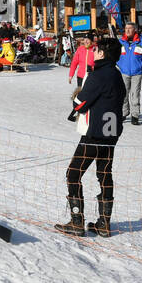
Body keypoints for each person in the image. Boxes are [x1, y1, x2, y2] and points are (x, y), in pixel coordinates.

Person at [58, 37, 126, 238]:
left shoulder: (98, 75)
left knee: (73, 173)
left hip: (95, 132)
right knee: (104, 173)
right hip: (111, 130)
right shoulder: (116, 74)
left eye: (96, 49)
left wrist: (77, 99)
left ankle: (76, 221)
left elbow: (80, 103)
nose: (94, 52)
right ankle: (104, 223)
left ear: (103, 54)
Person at [117, 22, 142, 125]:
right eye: (126, 28)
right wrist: (120, 64)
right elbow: (114, 54)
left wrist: (141, 64)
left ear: (135, 30)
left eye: (130, 28)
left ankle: (135, 115)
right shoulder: (121, 41)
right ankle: (124, 113)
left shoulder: (141, 40)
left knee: (135, 94)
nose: (127, 30)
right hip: (124, 72)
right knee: (123, 94)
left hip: (137, 73)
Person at [68, 32, 96, 106]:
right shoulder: (80, 49)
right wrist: (71, 75)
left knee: (91, 94)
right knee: (81, 95)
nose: (86, 41)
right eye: (84, 39)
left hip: (92, 76)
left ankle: (90, 111)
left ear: (92, 41)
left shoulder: (95, 49)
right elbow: (74, 63)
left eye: (88, 40)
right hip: (81, 76)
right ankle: (80, 110)